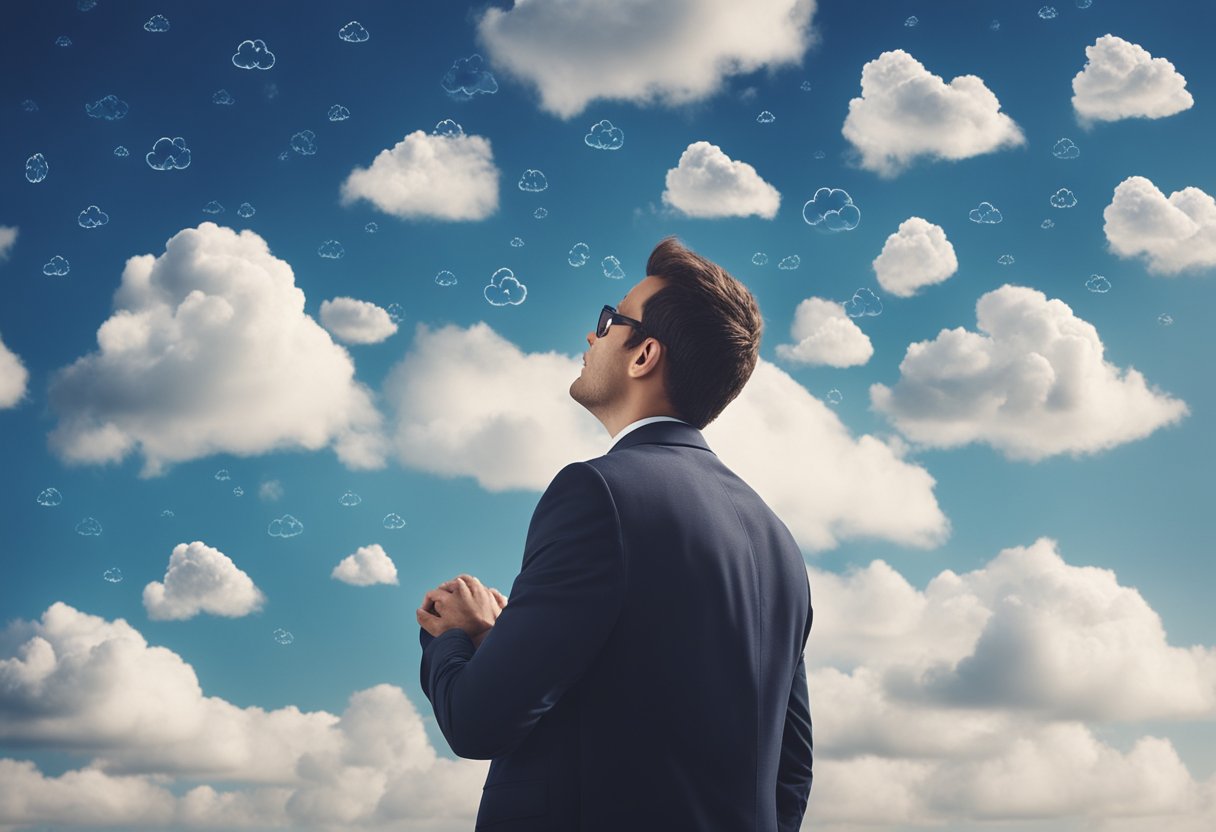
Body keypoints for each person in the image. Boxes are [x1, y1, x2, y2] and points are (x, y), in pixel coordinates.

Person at [416, 236, 813, 831]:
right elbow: (789, 775)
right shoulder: (779, 542)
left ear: (643, 354)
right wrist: (499, 641)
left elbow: (479, 722)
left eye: (610, 319)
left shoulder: (596, 493)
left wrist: (451, 635)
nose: (591, 335)